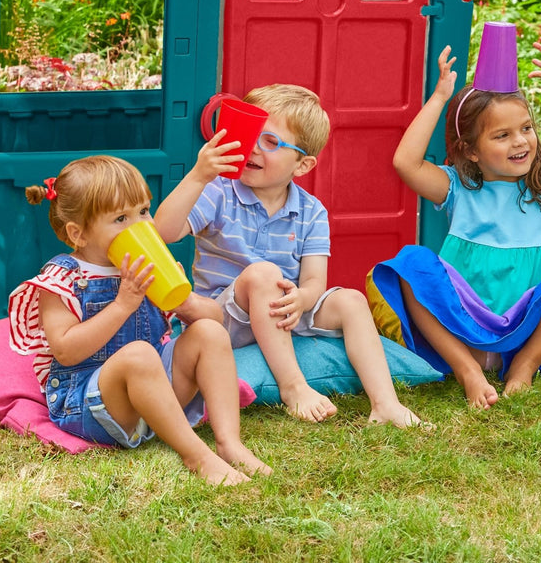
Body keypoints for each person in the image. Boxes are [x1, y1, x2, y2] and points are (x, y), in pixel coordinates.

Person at [154, 84, 425, 428]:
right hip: (224, 319)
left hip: (282, 314)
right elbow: (163, 232)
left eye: (270, 141)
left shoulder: (312, 211)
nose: (253, 147)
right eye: (250, 135)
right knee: (263, 274)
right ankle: (293, 387)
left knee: (352, 300)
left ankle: (386, 404)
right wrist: (198, 175)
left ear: (302, 164)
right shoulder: (219, 191)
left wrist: (302, 299)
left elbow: (313, 281)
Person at [370, 36, 541, 408]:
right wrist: (439, 98)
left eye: (526, 128)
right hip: (463, 332)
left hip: (529, 333)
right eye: (502, 135)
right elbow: (406, 163)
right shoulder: (458, 188)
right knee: (411, 263)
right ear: (470, 150)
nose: (520, 141)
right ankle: (467, 371)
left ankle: (524, 366)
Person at [8, 155, 271, 485]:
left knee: (208, 332)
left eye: (144, 211)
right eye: (121, 218)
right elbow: (65, 350)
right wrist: (122, 305)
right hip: (92, 405)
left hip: (155, 399)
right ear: (79, 234)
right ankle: (197, 456)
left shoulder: (146, 265)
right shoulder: (64, 279)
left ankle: (229, 443)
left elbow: (216, 319)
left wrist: (185, 301)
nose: (140, 225)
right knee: (139, 354)